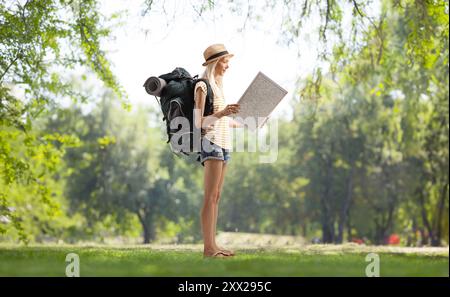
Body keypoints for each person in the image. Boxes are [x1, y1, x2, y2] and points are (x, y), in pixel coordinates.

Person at [193, 43, 244, 258]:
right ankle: (208, 249)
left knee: (216, 196)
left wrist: (245, 122)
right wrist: (223, 113)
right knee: (209, 196)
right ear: (215, 63)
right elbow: (198, 123)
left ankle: (214, 246)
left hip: (224, 144)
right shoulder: (202, 86)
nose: (228, 66)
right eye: (225, 62)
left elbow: (222, 121)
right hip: (211, 143)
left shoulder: (219, 86)